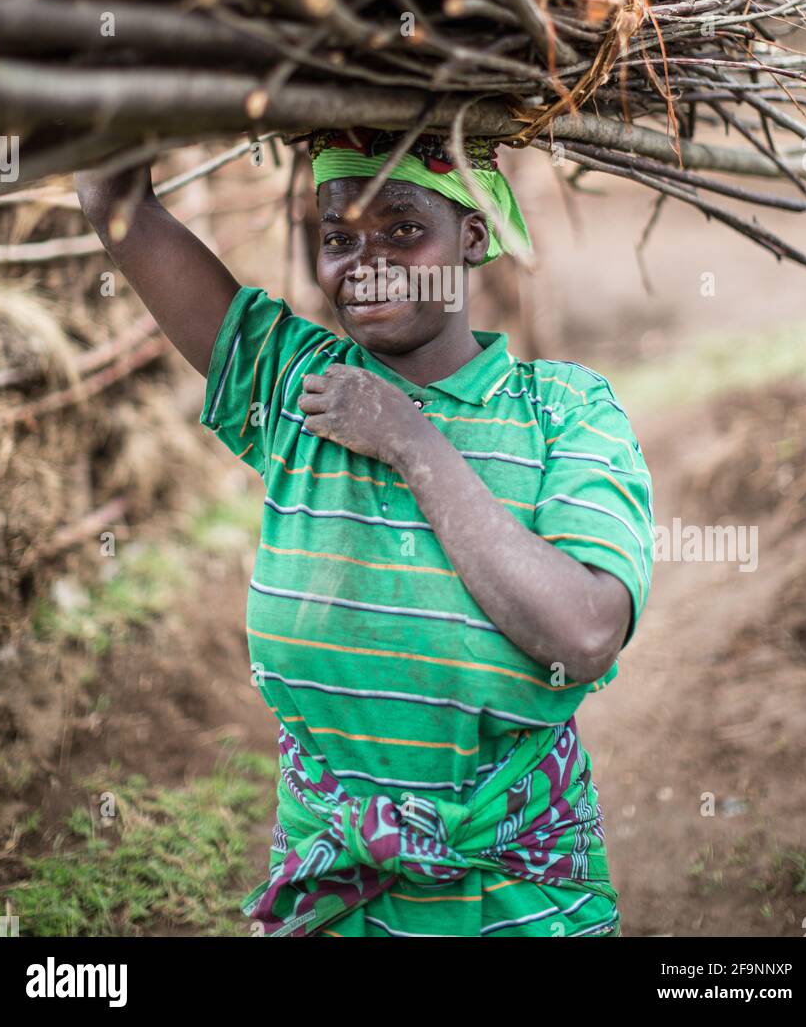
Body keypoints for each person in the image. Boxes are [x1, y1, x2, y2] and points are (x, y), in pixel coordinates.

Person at [75, 124, 654, 938]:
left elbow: (585, 632)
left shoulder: (563, 410)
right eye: (339, 236)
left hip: (518, 899)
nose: (367, 259)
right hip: (337, 891)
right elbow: (115, 199)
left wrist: (410, 439)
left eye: (405, 230)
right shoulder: (296, 386)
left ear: (473, 236)